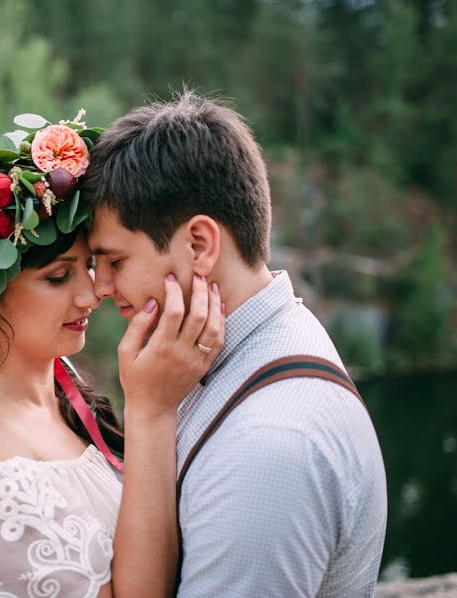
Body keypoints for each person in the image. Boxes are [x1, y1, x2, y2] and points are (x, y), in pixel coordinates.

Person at [0, 114, 225, 597]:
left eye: (89, 265)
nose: (92, 294)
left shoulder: (69, 399)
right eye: (59, 277)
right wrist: (150, 411)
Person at [81, 90, 388, 597]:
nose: (102, 288)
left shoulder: (268, 452)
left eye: (115, 261)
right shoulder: (252, 345)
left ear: (199, 245)